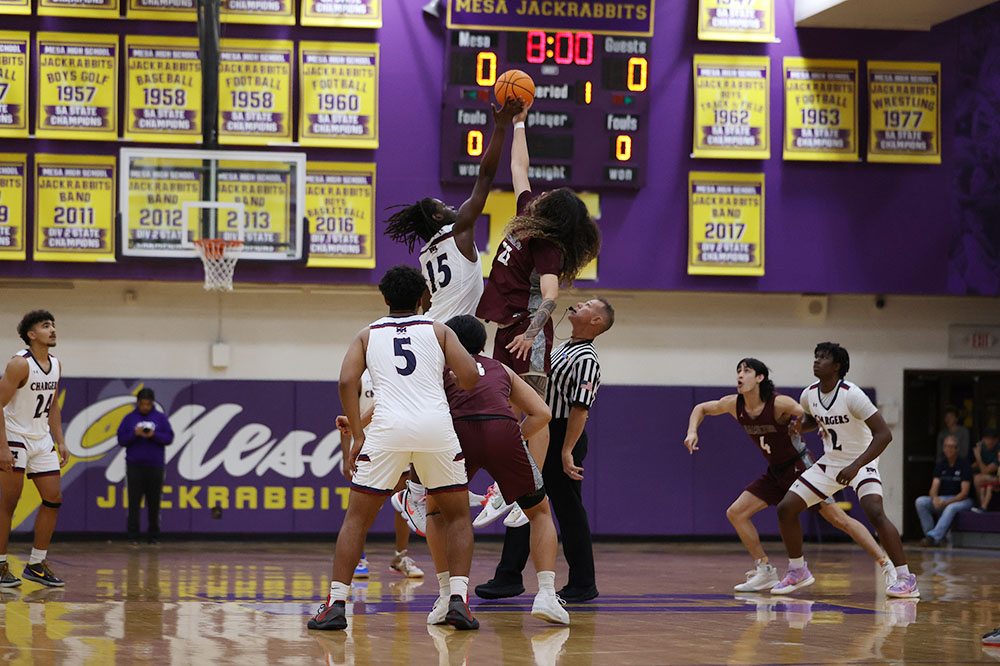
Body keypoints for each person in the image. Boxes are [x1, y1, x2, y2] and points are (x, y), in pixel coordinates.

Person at [308, 265, 480, 632]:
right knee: (458, 516)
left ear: (385, 299)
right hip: (436, 429)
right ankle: (459, 602)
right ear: (422, 299)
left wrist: (357, 434)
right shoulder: (439, 330)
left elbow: (345, 380)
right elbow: (469, 378)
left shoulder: (367, 334)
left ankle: (336, 604)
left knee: (357, 519)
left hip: (387, 430)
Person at [684, 358, 896, 593]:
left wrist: (822, 428)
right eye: (738, 371)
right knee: (736, 512)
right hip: (775, 471)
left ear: (760, 378)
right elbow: (701, 408)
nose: (740, 375)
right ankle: (764, 569)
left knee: (838, 519)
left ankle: (886, 563)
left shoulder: (778, 403)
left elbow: (810, 414)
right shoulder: (734, 405)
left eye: (746, 371)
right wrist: (692, 431)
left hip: (800, 466)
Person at [475, 100, 601, 471]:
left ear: (555, 216)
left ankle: (529, 480)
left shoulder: (548, 248)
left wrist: (532, 333)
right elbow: (519, 167)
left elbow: (550, 296)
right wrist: (518, 124)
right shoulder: (527, 213)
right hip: (509, 326)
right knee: (505, 407)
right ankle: (513, 479)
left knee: (535, 409)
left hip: (529, 329)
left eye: (550, 199)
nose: (542, 195)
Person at [421, 314, 567, 625]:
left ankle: (448, 594)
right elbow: (542, 413)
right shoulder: (501, 368)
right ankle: (546, 594)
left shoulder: (438, 369)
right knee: (539, 512)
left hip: (456, 435)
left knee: (435, 514)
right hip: (503, 431)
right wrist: (517, 437)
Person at [476, 298, 612, 604]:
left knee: (567, 510)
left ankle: (582, 582)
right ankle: (508, 576)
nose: (578, 303)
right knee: (526, 502)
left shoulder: (588, 359)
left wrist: (567, 450)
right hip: (543, 431)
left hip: (563, 435)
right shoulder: (562, 349)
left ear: (597, 322)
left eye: (588, 304)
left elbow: (580, 408)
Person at [774, 342, 919, 598]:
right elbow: (812, 419)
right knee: (786, 508)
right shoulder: (808, 394)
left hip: (862, 459)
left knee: (874, 512)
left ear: (837, 366)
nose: (816, 361)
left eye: (823, 357)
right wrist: (799, 427)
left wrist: (856, 466)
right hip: (832, 461)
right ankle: (798, 571)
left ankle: (906, 578)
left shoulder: (852, 394)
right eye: (815, 356)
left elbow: (884, 435)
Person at [0, 310, 68, 588]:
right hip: (15, 437)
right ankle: (1, 563)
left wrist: (60, 440)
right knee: (9, 504)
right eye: (45, 325)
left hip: (41, 440)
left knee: (53, 499)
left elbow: (52, 405)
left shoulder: (56, 364)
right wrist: (2, 446)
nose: (52, 330)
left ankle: (36, 564)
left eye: (53, 324)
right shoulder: (19, 364)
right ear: (31, 334)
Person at [339, 370, 424, 580]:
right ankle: (358, 557)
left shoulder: (399, 372)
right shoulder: (360, 376)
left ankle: (400, 558)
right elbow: (348, 420)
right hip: (371, 449)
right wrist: (344, 458)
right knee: (365, 509)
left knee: (404, 504)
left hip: (400, 445)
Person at [117, 387, 174, 545]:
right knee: (134, 502)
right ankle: (133, 536)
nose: (145, 407)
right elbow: (121, 439)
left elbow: (169, 438)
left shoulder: (160, 418)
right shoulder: (129, 418)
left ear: (152, 404)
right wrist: (135, 433)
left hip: (155, 466)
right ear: (138, 403)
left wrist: (153, 434)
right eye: (142, 404)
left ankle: (153, 536)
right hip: (135, 466)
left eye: (148, 404)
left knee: (154, 502)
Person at [914, 434, 973, 545]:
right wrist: (935, 498)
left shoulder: (964, 465)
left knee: (951, 507)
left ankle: (933, 536)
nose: (949, 449)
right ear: (943, 448)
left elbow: (964, 493)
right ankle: (930, 535)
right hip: (943, 498)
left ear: (957, 449)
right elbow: (934, 487)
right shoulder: (941, 464)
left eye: (952, 446)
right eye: (946, 446)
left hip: (962, 500)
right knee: (921, 501)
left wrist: (946, 502)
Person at [972, 427, 999, 511]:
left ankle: (982, 507)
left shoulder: (998, 449)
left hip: (996, 476)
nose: (989, 441)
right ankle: (982, 507)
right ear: (983, 439)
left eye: (992, 439)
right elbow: (973, 466)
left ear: (996, 440)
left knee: (978, 479)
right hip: (986, 477)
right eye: (987, 439)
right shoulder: (980, 446)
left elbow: (986, 471)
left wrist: (978, 457)